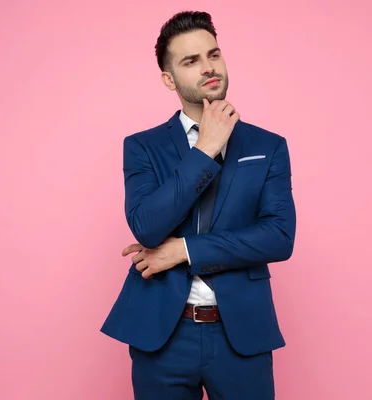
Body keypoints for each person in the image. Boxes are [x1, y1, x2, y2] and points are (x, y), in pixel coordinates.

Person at [100, 10, 296, 400]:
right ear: (169, 79)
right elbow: (147, 226)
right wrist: (206, 148)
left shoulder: (267, 146)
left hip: (241, 334)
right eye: (191, 61)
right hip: (163, 335)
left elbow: (278, 237)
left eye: (213, 54)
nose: (208, 68)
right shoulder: (142, 146)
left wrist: (183, 251)